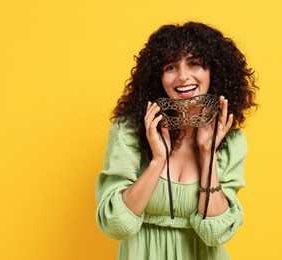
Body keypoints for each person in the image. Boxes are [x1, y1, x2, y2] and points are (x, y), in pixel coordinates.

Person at [95, 21, 258, 259]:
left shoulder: (230, 140)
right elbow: (115, 224)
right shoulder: (128, 131)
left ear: (214, 71)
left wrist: (207, 153)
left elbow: (216, 233)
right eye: (171, 67)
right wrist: (158, 160)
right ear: (157, 77)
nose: (183, 76)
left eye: (194, 63)